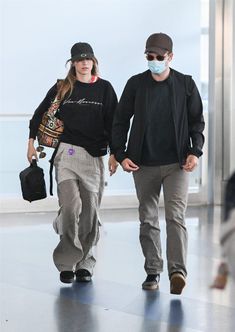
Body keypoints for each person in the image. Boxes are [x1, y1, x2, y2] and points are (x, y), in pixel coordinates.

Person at [112, 33, 205, 294]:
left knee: (176, 217)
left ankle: (177, 271)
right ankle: (153, 271)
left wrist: (195, 152)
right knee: (148, 218)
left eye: (159, 57)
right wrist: (121, 154)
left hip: (177, 164)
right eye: (149, 57)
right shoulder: (135, 85)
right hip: (143, 165)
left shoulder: (185, 85)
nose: (153, 61)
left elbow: (197, 121)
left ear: (170, 57)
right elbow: (120, 121)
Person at [27, 42, 118, 284]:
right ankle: (67, 261)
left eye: (88, 59)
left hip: (94, 156)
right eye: (79, 59)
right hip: (66, 154)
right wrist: (30, 142)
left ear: (94, 61)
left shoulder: (105, 89)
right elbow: (39, 114)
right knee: (70, 207)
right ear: (73, 63)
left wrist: (115, 153)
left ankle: (85, 262)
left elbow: (114, 124)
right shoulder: (63, 88)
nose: (84, 63)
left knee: (89, 213)